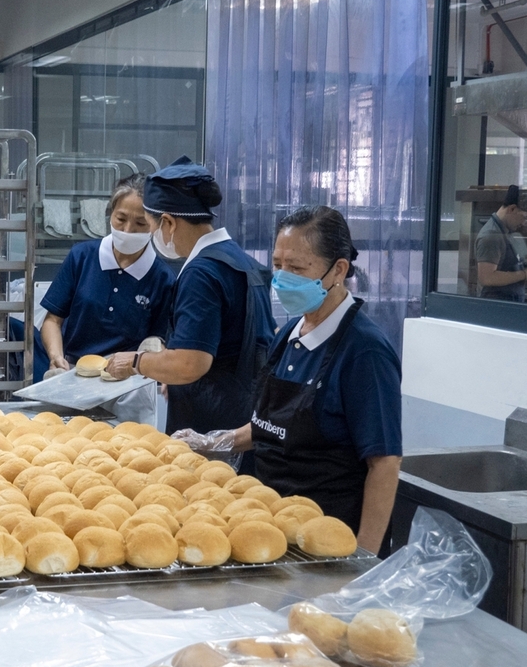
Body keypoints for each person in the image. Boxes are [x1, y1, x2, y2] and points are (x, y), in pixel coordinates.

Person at [175, 206, 402, 554]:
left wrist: (364, 558)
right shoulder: (291, 333)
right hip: (273, 527)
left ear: (338, 269)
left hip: (329, 535)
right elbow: (271, 425)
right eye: (278, 265)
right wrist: (214, 443)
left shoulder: (364, 351)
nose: (282, 278)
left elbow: (384, 463)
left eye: (296, 268)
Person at [104, 157, 275, 437]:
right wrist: (166, 372)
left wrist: (135, 362)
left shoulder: (201, 273)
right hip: (246, 417)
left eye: (148, 225)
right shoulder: (241, 261)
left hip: (212, 427)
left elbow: (190, 363)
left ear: (168, 223)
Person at [39, 173, 176, 371]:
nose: (128, 230)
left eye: (140, 223)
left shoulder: (162, 279)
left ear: (156, 225)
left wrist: (151, 353)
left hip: (128, 379)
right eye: (121, 219)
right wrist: (56, 357)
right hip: (74, 370)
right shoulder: (82, 257)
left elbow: (160, 340)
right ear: (110, 214)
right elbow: (52, 320)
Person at [475, 184, 527, 301]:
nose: (524, 223)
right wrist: (525, 274)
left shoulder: (505, 232)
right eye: (525, 217)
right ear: (512, 209)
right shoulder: (491, 236)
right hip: (495, 309)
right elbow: (487, 277)